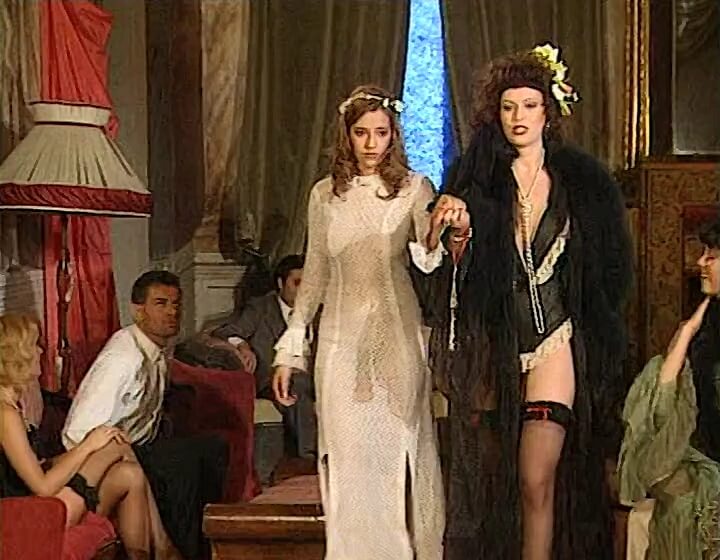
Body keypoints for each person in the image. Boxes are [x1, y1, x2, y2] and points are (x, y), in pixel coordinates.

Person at [429, 44, 633, 559]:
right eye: (508, 107)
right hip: (493, 345)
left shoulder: (583, 183)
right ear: (495, 113)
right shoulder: (475, 179)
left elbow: (609, 270)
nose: (518, 117)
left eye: (529, 105)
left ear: (548, 111)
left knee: (535, 479)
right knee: (494, 484)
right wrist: (460, 233)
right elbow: (454, 276)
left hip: (554, 341)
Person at [271, 84, 445, 559]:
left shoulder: (414, 188)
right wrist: (290, 352)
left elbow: (429, 257)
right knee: (346, 464)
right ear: (346, 135)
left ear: (394, 135)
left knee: (391, 462)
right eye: (361, 133)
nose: (371, 143)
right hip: (338, 344)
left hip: (395, 338)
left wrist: (439, 231)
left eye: (381, 133)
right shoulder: (324, 195)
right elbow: (314, 276)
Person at [62, 271, 228, 559]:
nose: (172, 312)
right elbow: (76, 432)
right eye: (161, 304)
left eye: (176, 304)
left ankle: (207, 546)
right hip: (105, 459)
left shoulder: (155, 348)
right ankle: (180, 551)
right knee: (184, 464)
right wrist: (114, 457)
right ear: (138, 311)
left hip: (142, 446)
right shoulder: (123, 360)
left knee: (212, 448)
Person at [0, 313, 178, 559]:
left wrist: (87, 447)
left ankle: (156, 550)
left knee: (129, 474)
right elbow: (42, 487)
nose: (41, 351)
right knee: (114, 445)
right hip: (29, 515)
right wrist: (88, 446)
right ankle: (164, 546)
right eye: (34, 345)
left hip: (39, 505)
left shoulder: (13, 407)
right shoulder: (5, 414)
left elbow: (39, 466)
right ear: (17, 356)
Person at [618, 218, 720, 559]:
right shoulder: (707, 324)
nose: (701, 261)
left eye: (712, 255)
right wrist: (686, 334)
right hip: (703, 456)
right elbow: (662, 409)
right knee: (674, 497)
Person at [212, 254, 317, 458]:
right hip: (274, 380)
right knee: (297, 383)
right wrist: (242, 345)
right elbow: (226, 332)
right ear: (280, 283)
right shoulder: (261, 308)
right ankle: (308, 456)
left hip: (317, 377)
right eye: (297, 283)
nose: (304, 291)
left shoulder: (321, 310)